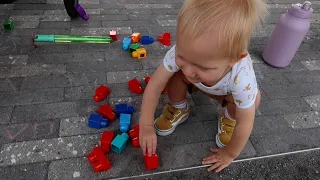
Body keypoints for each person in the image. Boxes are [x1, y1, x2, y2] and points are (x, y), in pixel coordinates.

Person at [139, 0, 268, 172]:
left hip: (226, 93)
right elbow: (155, 86)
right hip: (201, 85)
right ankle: (179, 107)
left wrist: (230, 154)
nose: (190, 71)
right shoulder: (184, 52)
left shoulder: (242, 76)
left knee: (252, 101)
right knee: (173, 75)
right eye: (182, 57)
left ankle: (228, 116)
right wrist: (146, 126)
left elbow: (246, 122)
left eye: (202, 67)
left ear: (234, 59)